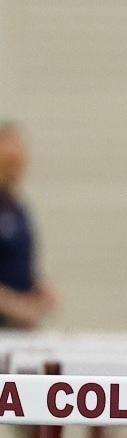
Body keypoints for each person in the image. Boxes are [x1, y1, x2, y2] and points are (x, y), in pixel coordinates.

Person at [0, 123, 57, 330]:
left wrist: (39, 288)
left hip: (18, 328)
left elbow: (18, 266)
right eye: (9, 163)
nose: (15, 171)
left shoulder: (18, 207)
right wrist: (12, 305)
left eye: (19, 163)